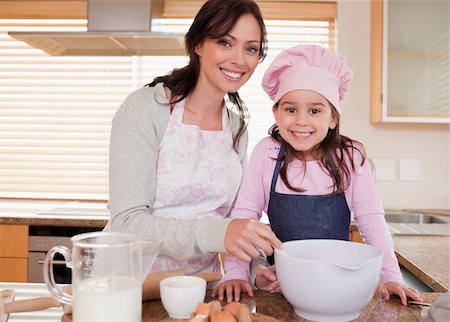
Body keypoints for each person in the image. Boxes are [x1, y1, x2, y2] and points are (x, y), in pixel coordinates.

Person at [212, 44, 423, 305]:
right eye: (290, 109)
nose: (301, 120)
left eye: (315, 110)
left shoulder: (350, 156)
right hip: (282, 283)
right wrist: (237, 273)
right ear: (276, 113)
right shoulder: (267, 152)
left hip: (334, 284)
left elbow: (371, 221)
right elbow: (244, 217)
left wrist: (391, 277)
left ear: (333, 117)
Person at [103, 0, 281, 277]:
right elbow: (128, 221)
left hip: (200, 287)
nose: (239, 59)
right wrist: (219, 233)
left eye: (251, 48)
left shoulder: (236, 128)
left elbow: (238, 218)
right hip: (129, 284)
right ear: (197, 44)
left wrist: (257, 266)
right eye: (225, 42)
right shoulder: (146, 108)